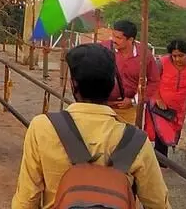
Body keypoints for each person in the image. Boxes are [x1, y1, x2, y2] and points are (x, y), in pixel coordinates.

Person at [11, 43, 171, 209]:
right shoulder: (136, 140)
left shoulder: (42, 127)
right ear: (112, 85)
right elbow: (158, 203)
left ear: (74, 84)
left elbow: (27, 199)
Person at [104, 19, 160, 124]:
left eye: (118, 38)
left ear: (130, 40)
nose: (113, 40)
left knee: (126, 138)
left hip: (128, 110)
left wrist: (134, 100)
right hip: (103, 107)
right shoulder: (103, 49)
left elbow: (154, 81)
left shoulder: (144, 55)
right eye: (113, 36)